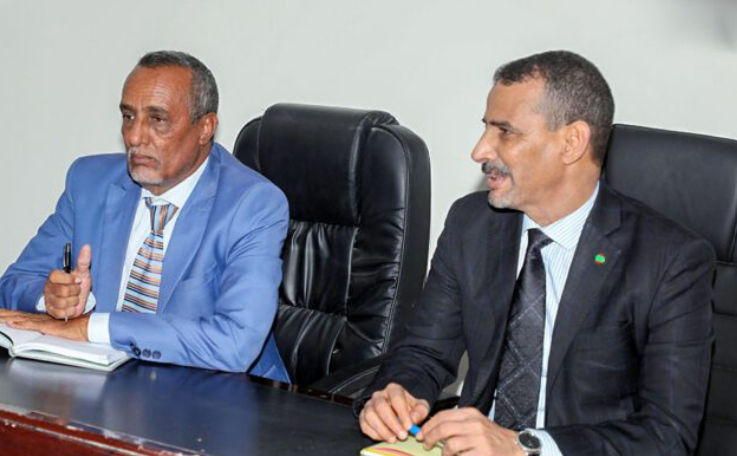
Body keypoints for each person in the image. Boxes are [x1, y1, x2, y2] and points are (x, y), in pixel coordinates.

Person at [357, 50, 714, 456]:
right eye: (486, 128)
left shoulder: (670, 260)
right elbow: (424, 352)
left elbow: (668, 435)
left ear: (572, 142)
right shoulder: (472, 225)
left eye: (505, 132)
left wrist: (524, 446)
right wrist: (397, 394)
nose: (480, 151)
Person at [0, 51, 290, 381]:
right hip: (103, 387)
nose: (135, 137)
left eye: (157, 120)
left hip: (218, 394)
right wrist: (50, 300)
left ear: (205, 128)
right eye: (128, 117)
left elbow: (235, 343)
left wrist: (92, 327)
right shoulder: (89, 182)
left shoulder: (253, 204)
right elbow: (13, 283)